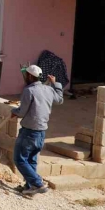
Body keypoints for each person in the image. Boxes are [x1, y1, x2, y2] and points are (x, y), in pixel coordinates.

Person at [11, 65, 64, 196]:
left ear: (29, 76)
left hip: (29, 131)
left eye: (26, 76)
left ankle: (38, 183)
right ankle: (30, 187)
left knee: (19, 159)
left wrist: (14, 111)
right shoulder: (48, 89)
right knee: (31, 160)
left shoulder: (28, 91)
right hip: (41, 132)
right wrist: (55, 83)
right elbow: (60, 99)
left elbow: (22, 112)